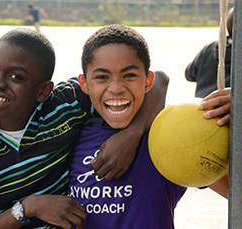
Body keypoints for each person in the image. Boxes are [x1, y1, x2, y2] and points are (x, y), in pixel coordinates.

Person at [0, 27, 168, 229]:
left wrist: (131, 134)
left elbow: (159, 81)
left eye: (15, 76)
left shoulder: (68, 105)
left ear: (43, 91)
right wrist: (29, 208)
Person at [67, 24, 229, 228]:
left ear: (148, 81)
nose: (116, 88)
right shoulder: (69, 136)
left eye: (129, 76)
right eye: (102, 77)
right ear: (84, 84)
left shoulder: (172, 138)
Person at [185, 7, 234, 98]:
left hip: (201, 105)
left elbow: (189, 74)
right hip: (226, 109)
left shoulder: (210, 48)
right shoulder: (237, 54)